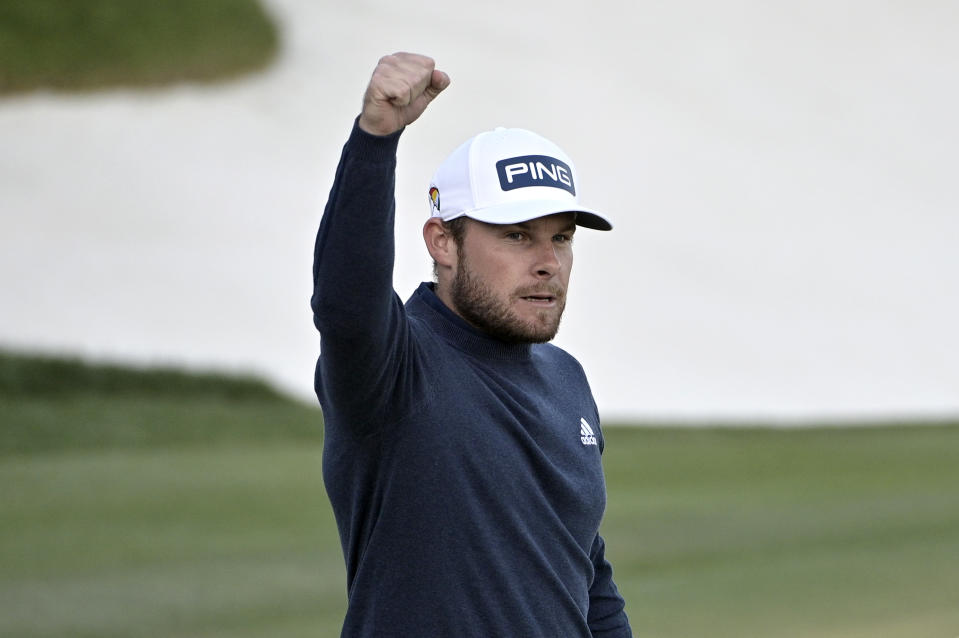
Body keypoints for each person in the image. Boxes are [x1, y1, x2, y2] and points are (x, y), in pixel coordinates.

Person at [311, 52, 632, 637]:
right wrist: (376, 140)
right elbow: (345, 303)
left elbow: (586, 576)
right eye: (517, 236)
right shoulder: (394, 370)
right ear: (443, 241)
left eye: (561, 239)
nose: (548, 264)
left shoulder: (566, 379)